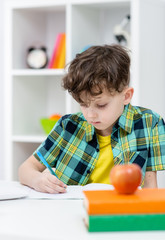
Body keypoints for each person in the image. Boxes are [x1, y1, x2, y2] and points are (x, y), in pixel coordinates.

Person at [18, 44, 165, 193]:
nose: (90, 115)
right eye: (83, 104)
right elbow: (25, 169)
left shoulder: (150, 123)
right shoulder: (68, 126)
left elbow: (150, 185)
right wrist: (38, 180)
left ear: (126, 96)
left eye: (101, 105)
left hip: (122, 213)